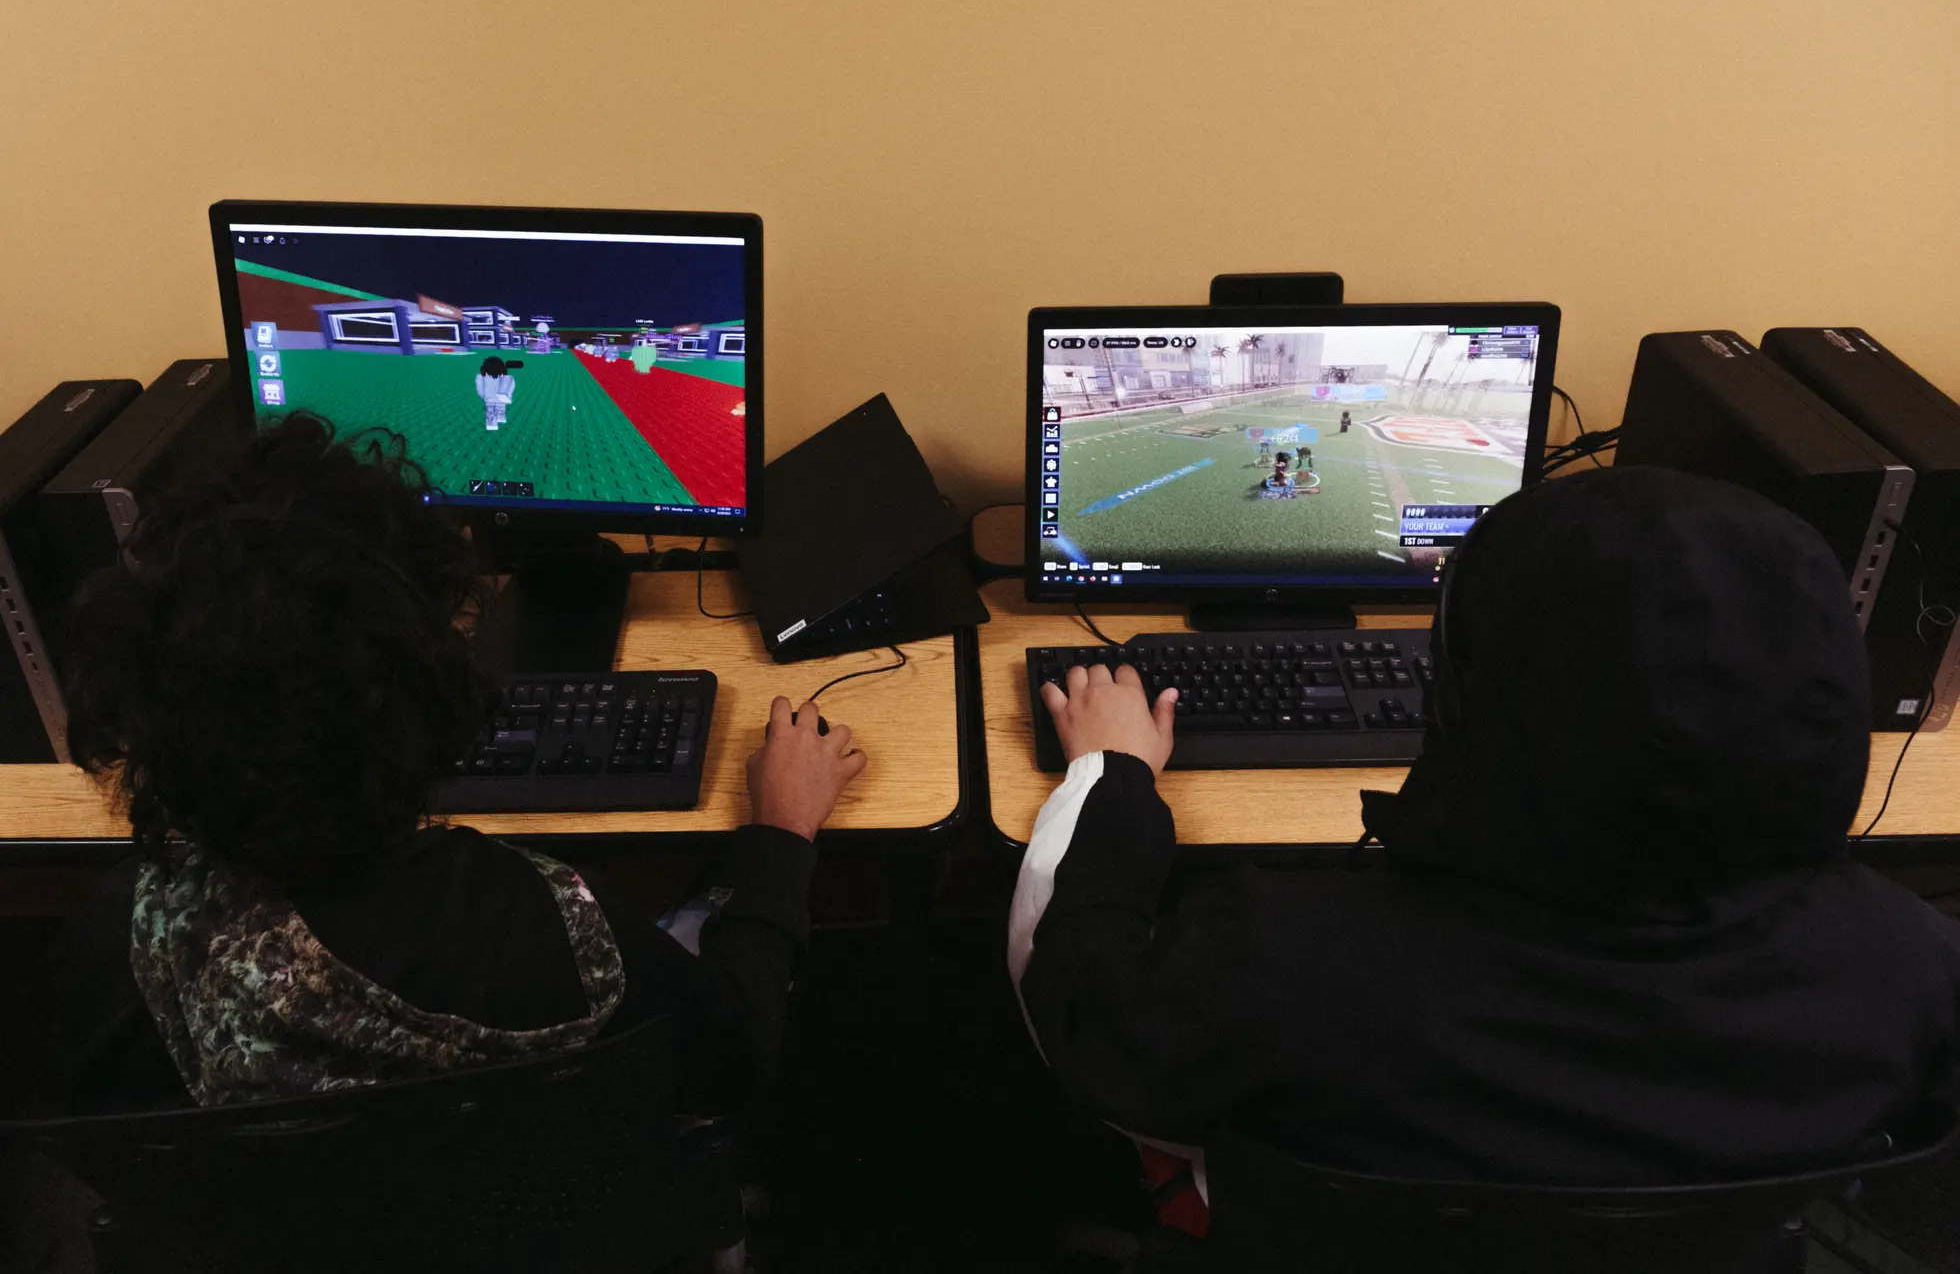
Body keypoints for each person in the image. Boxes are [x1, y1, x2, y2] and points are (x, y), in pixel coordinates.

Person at [1010, 466, 1960, 1188]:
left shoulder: (1279, 962)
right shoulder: (1917, 968)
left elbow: (1084, 1019)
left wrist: (1113, 771)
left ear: (1467, 695)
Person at [50, 414, 866, 1113]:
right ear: (419, 691)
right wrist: (783, 834)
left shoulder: (114, 940)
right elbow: (736, 1050)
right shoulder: (522, 926)